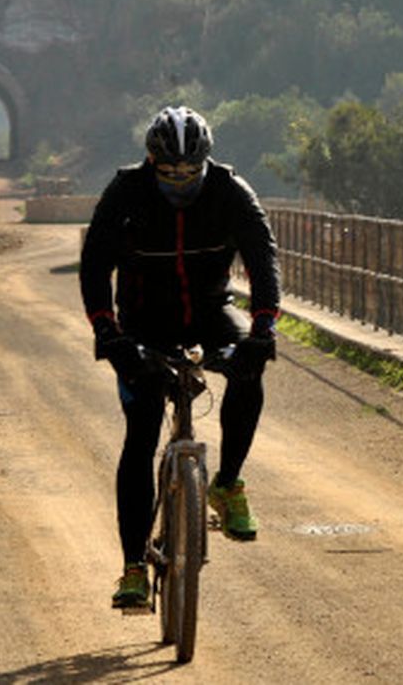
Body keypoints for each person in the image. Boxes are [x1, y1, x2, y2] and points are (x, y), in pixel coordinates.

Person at [79, 105, 281, 611]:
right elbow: (94, 266)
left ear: (206, 164)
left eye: (190, 173)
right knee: (142, 429)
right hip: (143, 320)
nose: (178, 183)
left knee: (251, 370)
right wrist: (109, 333)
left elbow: (263, 258)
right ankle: (132, 567)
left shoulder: (231, 191)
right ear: (151, 161)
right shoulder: (125, 191)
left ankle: (228, 483)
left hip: (210, 311)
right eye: (167, 173)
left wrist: (262, 328)